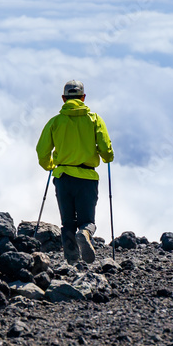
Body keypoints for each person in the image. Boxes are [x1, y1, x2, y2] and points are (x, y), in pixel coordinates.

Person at [36, 80, 114, 265]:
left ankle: (71, 262)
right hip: (87, 177)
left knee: (67, 222)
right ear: (83, 98)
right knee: (87, 220)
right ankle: (85, 233)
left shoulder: (55, 122)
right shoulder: (94, 119)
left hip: (63, 178)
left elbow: (42, 151)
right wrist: (107, 157)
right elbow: (105, 146)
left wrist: (50, 166)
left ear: (63, 99)